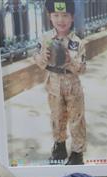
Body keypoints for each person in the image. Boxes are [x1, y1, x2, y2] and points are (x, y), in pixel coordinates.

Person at [33, 0, 86, 165]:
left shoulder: (77, 42)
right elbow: (37, 58)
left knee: (76, 118)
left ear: (72, 17)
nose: (60, 20)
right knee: (57, 117)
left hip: (72, 85)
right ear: (50, 17)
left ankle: (77, 153)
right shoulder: (45, 39)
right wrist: (43, 58)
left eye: (65, 15)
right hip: (54, 84)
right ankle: (60, 146)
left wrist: (70, 61)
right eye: (56, 15)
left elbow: (82, 68)